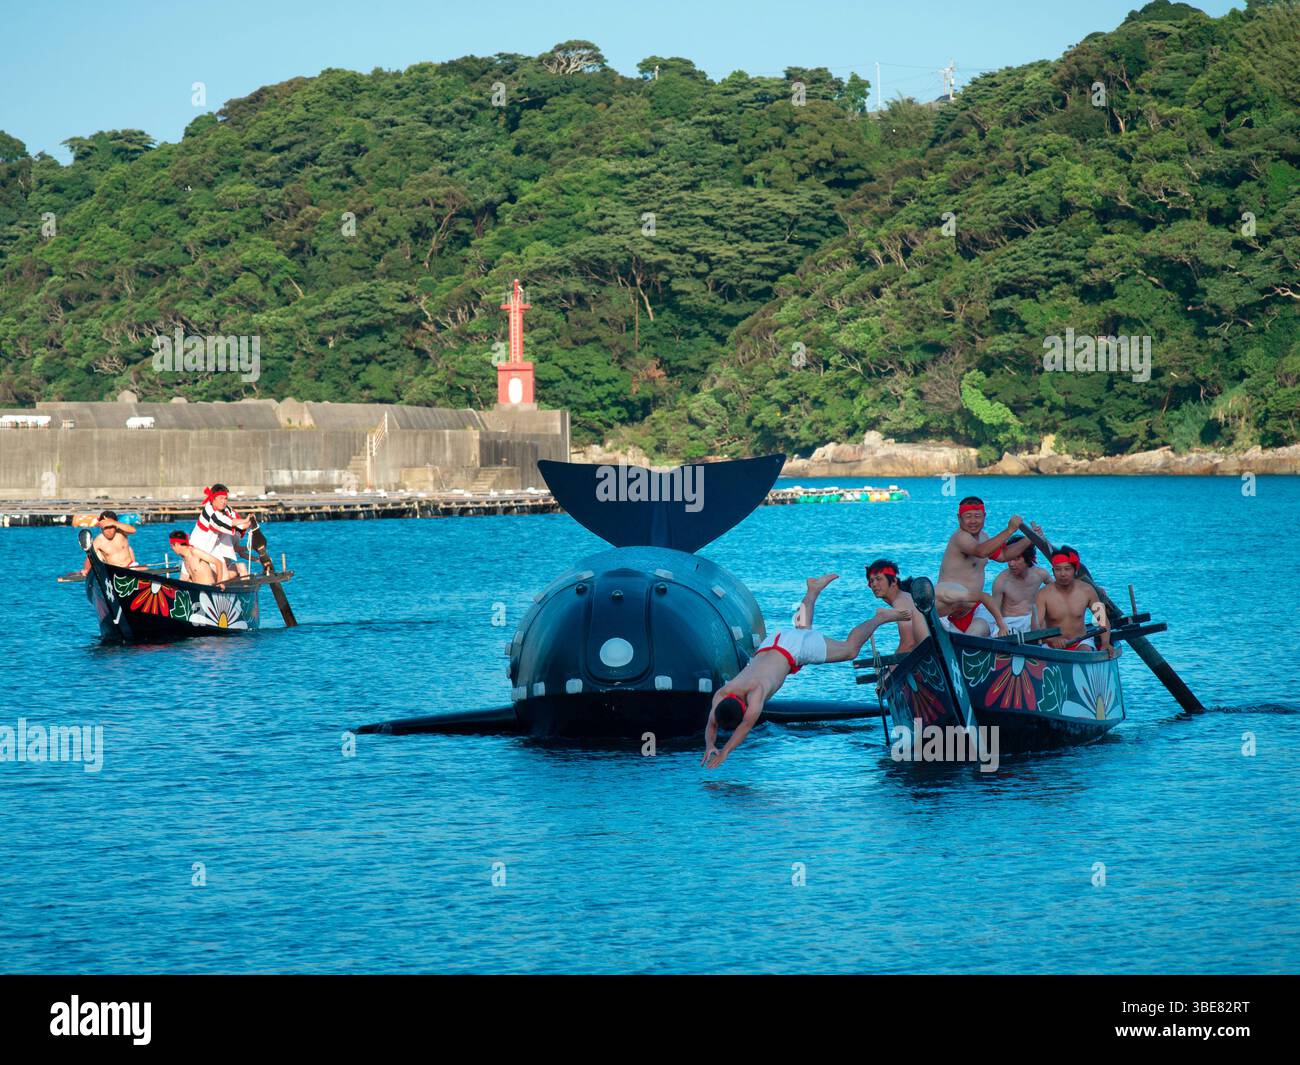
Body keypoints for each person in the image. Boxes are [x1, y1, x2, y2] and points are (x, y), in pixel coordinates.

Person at [701, 574, 911, 768]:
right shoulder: (723, 693)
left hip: (791, 650)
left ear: (744, 710)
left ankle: (880, 618)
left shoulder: (755, 695)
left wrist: (725, 752)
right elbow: (712, 723)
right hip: (773, 642)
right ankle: (812, 590)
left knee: (849, 649)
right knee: (803, 631)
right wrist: (710, 745)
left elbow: (744, 728)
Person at [936, 497, 1037, 636]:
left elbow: (1003, 555)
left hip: (973, 609)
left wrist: (1030, 539)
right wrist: (1009, 530)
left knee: (975, 636)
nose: (973, 521)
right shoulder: (960, 537)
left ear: (984, 516)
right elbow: (980, 551)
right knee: (964, 640)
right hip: (947, 610)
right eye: (968, 517)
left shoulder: (984, 537)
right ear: (959, 518)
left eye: (977, 516)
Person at [1034, 546, 1113, 654]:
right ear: (1053, 570)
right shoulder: (1043, 594)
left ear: (1075, 570)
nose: (1062, 574)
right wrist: (1052, 640)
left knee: (1084, 652)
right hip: (1052, 645)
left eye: (1067, 569)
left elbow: (1102, 620)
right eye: (1058, 569)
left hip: (1081, 642)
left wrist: (1105, 643)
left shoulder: (1087, 590)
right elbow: (1035, 626)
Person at [188, 484, 253, 581]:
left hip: (212, 550)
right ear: (213, 498)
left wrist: (248, 523)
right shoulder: (208, 510)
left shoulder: (226, 509)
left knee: (226, 574)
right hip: (197, 550)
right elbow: (220, 522)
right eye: (221, 498)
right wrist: (244, 521)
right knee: (191, 578)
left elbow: (236, 521)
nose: (224, 501)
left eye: (226, 498)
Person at [865, 558, 928, 653]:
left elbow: (908, 643)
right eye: (871, 581)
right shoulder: (906, 596)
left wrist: (892, 666)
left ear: (894, 581)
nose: (874, 584)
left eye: (878, 579)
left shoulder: (900, 601)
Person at [991, 535, 1051, 634]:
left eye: (1017, 558)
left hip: (1033, 620)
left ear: (1028, 558)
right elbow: (995, 614)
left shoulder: (1040, 575)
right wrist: (1001, 628)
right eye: (1009, 558)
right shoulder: (1001, 581)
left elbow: (1059, 589)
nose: (1011, 564)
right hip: (1009, 623)